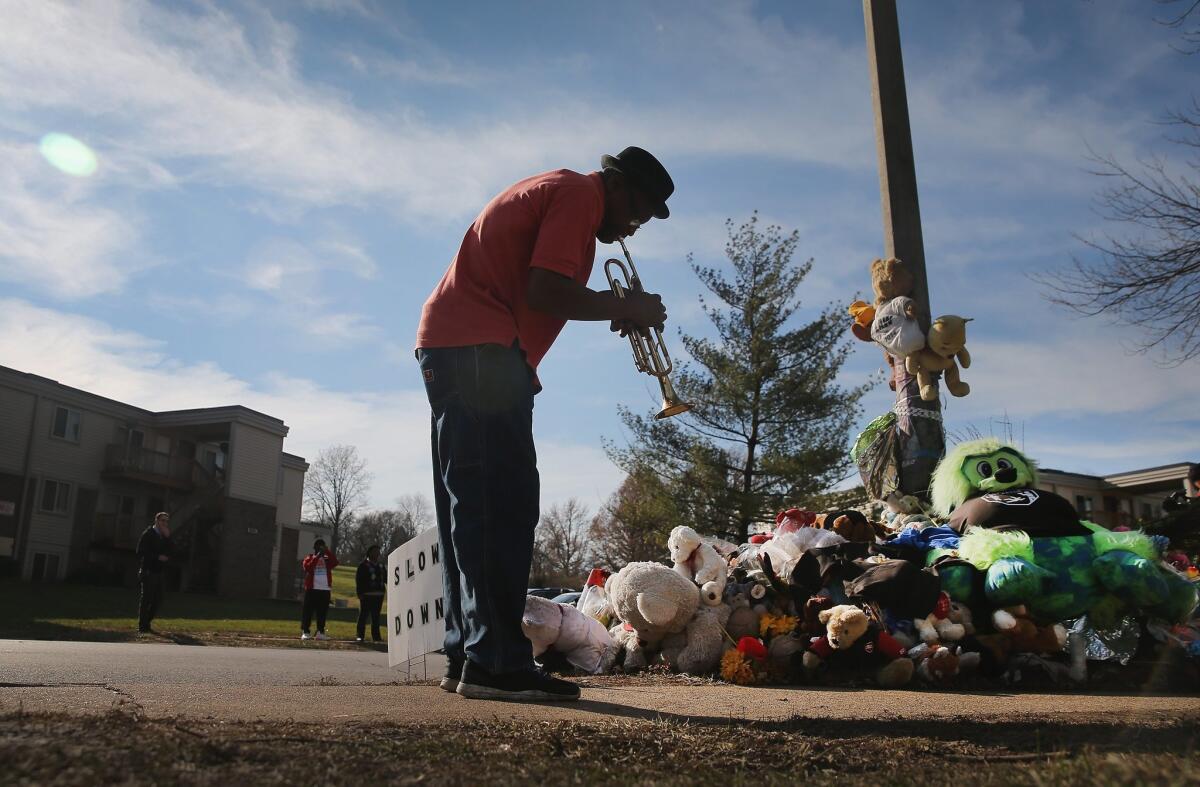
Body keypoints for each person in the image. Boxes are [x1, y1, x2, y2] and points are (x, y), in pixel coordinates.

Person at [415, 146, 674, 702]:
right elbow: (545, 289)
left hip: (460, 348)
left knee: (471, 508)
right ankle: (498, 662)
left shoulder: (558, 191)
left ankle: (469, 654)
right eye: (640, 213)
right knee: (501, 507)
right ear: (620, 187)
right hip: (482, 352)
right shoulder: (581, 195)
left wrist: (609, 307)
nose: (634, 228)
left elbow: (544, 292)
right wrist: (624, 306)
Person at [135, 511, 172, 633]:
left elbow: (172, 550)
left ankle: (147, 622)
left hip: (159, 572)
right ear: (156, 521)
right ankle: (143, 626)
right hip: (148, 571)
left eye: (167, 521)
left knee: (158, 600)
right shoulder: (148, 534)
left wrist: (168, 538)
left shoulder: (164, 535)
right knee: (147, 599)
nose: (165, 523)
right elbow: (140, 551)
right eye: (162, 521)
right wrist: (157, 557)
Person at [301, 538, 338, 641]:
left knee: (322, 612)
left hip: (325, 589)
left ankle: (320, 632)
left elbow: (335, 562)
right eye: (319, 547)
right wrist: (317, 556)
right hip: (312, 589)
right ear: (315, 548)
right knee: (308, 611)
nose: (320, 549)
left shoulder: (327, 559)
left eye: (323, 546)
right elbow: (308, 567)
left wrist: (327, 552)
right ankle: (305, 632)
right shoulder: (310, 557)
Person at [355, 544, 386, 642]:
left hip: (379, 595)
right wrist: (360, 593)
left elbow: (386, 578)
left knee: (376, 617)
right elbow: (359, 580)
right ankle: (360, 635)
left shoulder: (381, 566)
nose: (377, 554)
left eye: (378, 552)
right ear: (370, 552)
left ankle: (376, 637)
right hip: (366, 595)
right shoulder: (363, 565)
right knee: (363, 616)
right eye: (375, 551)